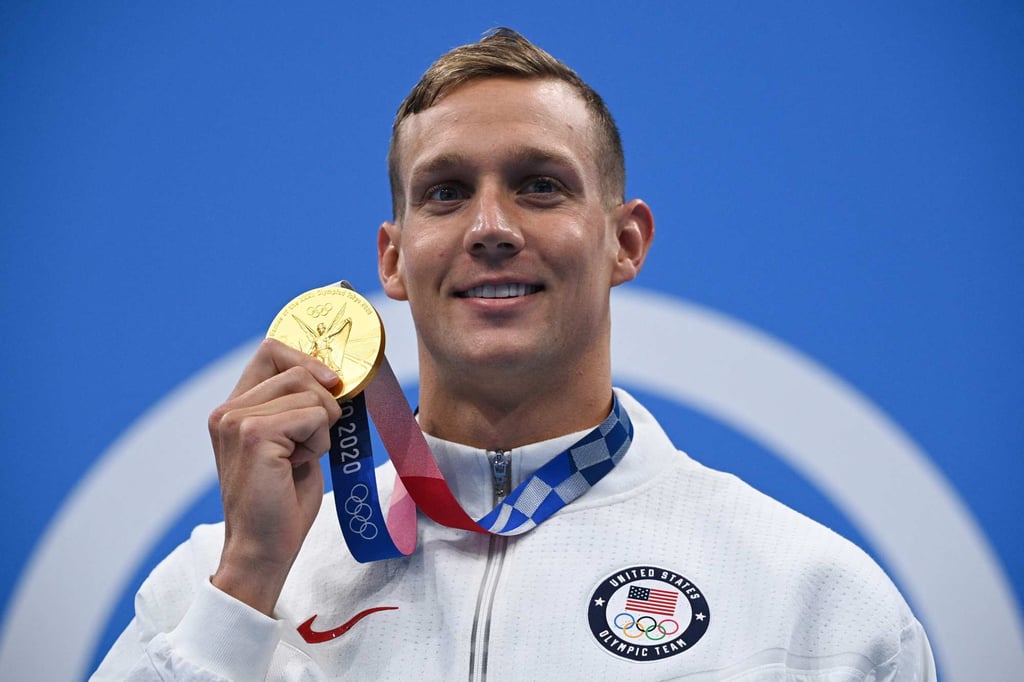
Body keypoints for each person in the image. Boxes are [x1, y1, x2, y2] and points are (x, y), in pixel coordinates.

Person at [93, 28, 936, 680]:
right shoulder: (216, 579)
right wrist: (247, 581)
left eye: (540, 185)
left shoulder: (814, 598)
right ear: (394, 258)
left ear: (626, 242)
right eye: (446, 193)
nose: (490, 228)